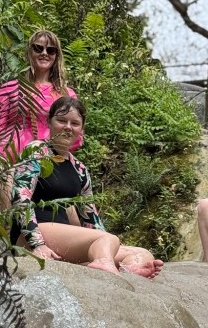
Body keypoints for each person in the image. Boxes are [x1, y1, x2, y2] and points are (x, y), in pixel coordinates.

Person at [10, 96, 163, 279]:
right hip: (33, 234)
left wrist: (109, 249)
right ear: (49, 123)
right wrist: (37, 244)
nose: (68, 127)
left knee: (141, 254)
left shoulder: (79, 169)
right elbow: (20, 198)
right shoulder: (37, 151)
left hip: (66, 240)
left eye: (75, 123)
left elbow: (91, 219)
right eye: (61, 120)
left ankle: (116, 268)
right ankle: (105, 265)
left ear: (81, 129)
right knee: (108, 239)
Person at [0, 30, 81, 163]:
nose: (44, 53)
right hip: (9, 165)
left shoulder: (67, 94)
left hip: (50, 165)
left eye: (50, 50)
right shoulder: (10, 88)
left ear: (56, 56)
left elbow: (75, 134)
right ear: (30, 52)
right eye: (38, 48)